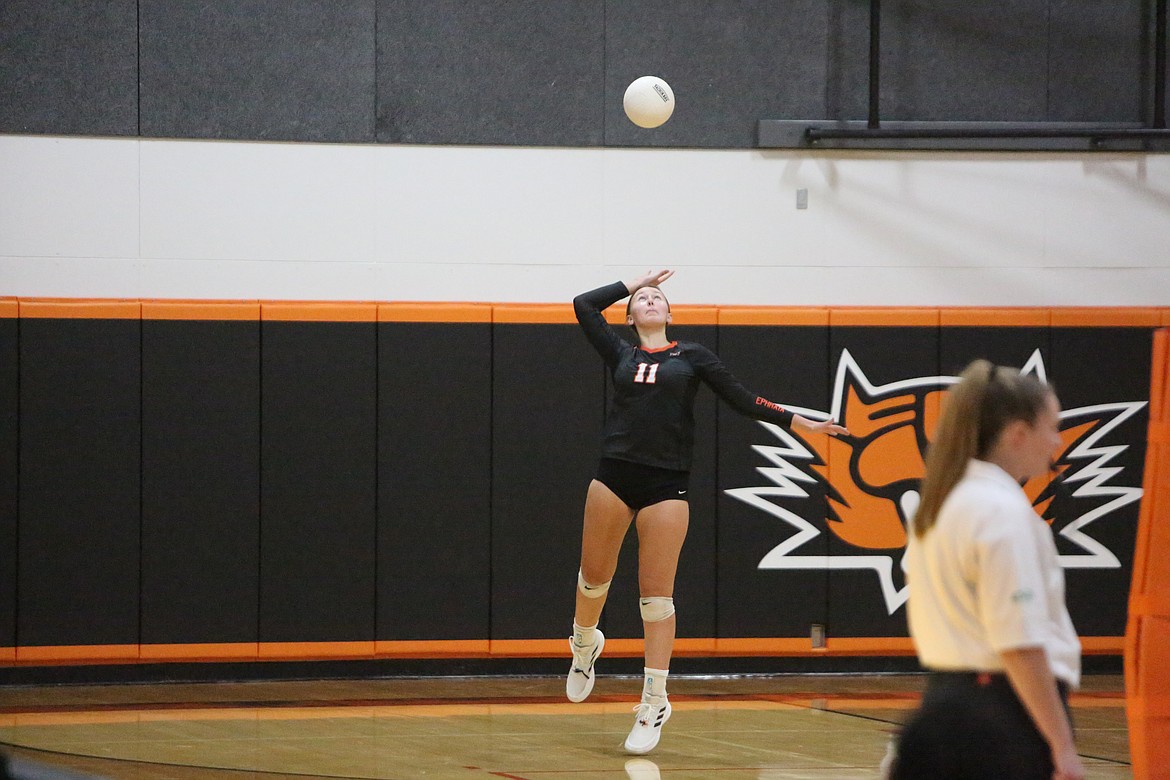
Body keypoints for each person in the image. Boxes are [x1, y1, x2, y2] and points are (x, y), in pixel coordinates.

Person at [566, 269, 849, 755]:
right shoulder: (621, 352)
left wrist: (796, 420)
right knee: (594, 580)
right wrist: (631, 283)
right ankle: (584, 643)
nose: (651, 301)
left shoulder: (692, 356)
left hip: (666, 484)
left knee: (655, 599)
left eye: (658, 298)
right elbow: (583, 305)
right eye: (643, 299)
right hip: (613, 476)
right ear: (631, 314)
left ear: (670, 314)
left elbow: (743, 399)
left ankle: (655, 699)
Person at [891, 360, 1085, 780]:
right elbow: (1018, 642)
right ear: (1018, 434)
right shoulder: (1001, 513)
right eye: (1052, 427)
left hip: (943, 705)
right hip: (999, 720)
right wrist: (1061, 744)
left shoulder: (944, 501)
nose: (1057, 441)